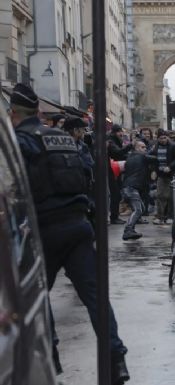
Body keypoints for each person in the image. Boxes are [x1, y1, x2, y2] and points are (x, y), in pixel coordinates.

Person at [9, 84, 130, 384]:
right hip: (77, 226)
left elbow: (12, 191)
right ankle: (116, 360)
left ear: (13, 114)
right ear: (38, 112)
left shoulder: (19, 142)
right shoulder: (63, 138)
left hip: (42, 231)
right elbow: (88, 174)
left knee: (36, 299)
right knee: (95, 297)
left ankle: (51, 359)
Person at [121, 141, 158, 240]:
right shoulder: (141, 156)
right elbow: (154, 158)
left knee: (140, 207)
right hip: (131, 187)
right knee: (138, 210)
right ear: (137, 148)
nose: (145, 149)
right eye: (142, 147)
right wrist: (155, 149)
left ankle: (131, 230)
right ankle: (128, 230)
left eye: (145, 147)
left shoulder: (129, 157)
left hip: (129, 187)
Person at [148, 129, 175, 224]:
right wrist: (153, 170)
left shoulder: (174, 146)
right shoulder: (155, 146)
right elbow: (152, 159)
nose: (163, 140)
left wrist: (170, 167)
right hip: (161, 174)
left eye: (164, 138)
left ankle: (170, 216)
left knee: (170, 196)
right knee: (160, 195)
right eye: (161, 138)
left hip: (171, 174)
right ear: (157, 138)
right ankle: (160, 216)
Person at [107, 124, 132, 224]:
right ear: (114, 132)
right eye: (119, 131)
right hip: (110, 170)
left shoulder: (116, 140)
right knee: (115, 194)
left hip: (115, 170)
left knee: (116, 194)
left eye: (121, 131)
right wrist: (130, 146)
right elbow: (117, 153)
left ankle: (114, 216)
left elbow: (120, 154)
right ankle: (114, 217)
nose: (121, 133)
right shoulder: (111, 141)